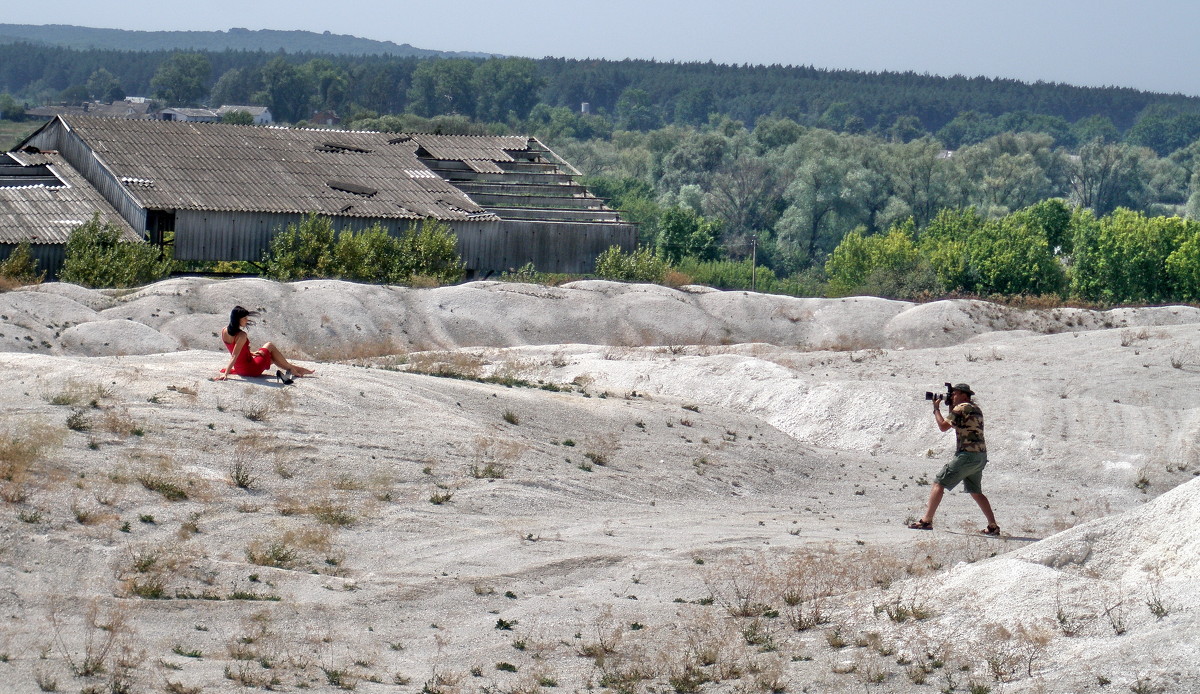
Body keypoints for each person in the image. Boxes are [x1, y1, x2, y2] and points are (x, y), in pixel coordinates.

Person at [908, 383, 1000, 535]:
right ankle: (993, 526)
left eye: (955, 394)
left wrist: (936, 409)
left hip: (966, 455)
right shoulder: (975, 409)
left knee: (939, 482)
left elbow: (943, 426)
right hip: (980, 456)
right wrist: (950, 405)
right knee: (976, 491)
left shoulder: (961, 408)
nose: (952, 396)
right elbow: (957, 424)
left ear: (964, 395)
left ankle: (926, 520)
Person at [216, 306, 314, 382]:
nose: (247, 320)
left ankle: (295, 369)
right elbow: (234, 355)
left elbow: (236, 350)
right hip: (249, 369)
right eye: (244, 318)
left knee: (272, 358)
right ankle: (293, 369)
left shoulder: (224, 330)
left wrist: (251, 353)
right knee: (269, 345)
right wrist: (226, 374)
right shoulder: (241, 335)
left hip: (240, 368)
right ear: (238, 319)